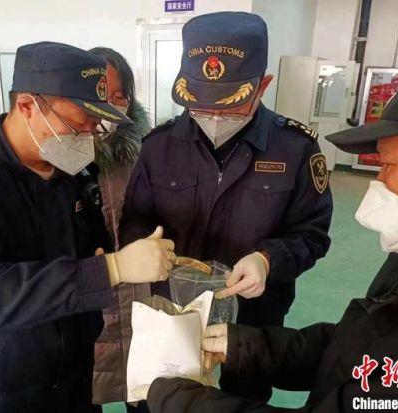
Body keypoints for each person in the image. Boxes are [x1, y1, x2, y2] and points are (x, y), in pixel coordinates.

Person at [146, 56, 398, 413]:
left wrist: (180, 402)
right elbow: (356, 349)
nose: (379, 183)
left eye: (389, 165)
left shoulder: (293, 145)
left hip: (256, 308)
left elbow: (311, 231)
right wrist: (245, 346)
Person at [0, 41, 176, 413]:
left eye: (97, 124)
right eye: (79, 123)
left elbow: (92, 247)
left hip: (74, 374)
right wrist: (111, 269)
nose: (90, 135)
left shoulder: (72, 173)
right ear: (27, 106)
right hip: (1, 384)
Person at [119, 12, 333, 402]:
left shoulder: (295, 149)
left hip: (252, 318)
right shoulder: (159, 146)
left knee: (242, 402)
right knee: (161, 399)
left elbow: (312, 233)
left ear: (263, 85)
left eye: (229, 106)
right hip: (171, 311)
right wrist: (145, 250)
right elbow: (135, 219)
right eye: (201, 107)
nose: (214, 117)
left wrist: (268, 260)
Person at [85, 47, 153, 406]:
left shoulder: (148, 150)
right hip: (87, 296)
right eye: (100, 95)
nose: (110, 107)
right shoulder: (60, 159)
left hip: (141, 297)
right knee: (86, 387)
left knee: (143, 390)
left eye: (119, 96)